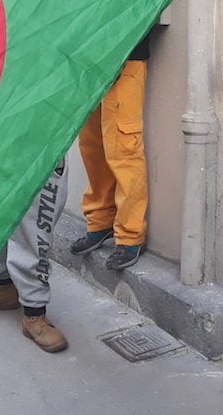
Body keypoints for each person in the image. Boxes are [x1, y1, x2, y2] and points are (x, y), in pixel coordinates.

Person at [0, 159, 70, 353]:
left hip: (45, 135)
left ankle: (34, 311)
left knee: (35, 222)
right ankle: (0, 286)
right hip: (0, 134)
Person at [69, 29, 152, 270]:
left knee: (124, 150)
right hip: (89, 58)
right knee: (91, 145)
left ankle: (130, 235)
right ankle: (100, 221)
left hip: (126, 55)